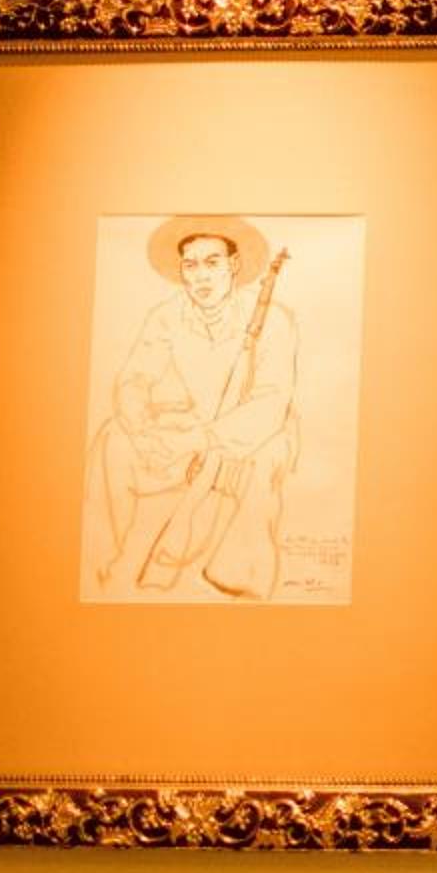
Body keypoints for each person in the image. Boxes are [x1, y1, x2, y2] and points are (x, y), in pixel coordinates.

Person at [85, 215, 301, 599]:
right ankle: (112, 560)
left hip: (255, 430)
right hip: (195, 421)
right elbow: (134, 380)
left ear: (233, 265)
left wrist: (200, 439)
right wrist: (141, 429)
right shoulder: (166, 316)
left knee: (268, 453)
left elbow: (271, 401)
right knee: (112, 437)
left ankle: (240, 574)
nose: (201, 276)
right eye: (191, 265)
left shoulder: (273, 318)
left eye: (212, 263)